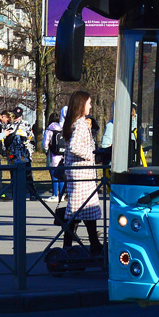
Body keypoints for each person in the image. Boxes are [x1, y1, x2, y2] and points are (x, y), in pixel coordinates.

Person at [61, 92, 103, 254]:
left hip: (77, 174)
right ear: (81, 104)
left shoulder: (74, 123)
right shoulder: (80, 124)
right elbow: (75, 147)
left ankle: (93, 243)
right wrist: (91, 154)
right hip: (81, 174)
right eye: (89, 103)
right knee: (78, 210)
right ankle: (70, 246)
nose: (90, 106)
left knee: (85, 210)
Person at [42, 110, 65, 200]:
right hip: (62, 155)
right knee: (62, 175)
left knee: (54, 175)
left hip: (53, 155)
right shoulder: (62, 128)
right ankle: (62, 195)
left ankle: (55, 195)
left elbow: (45, 144)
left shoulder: (49, 129)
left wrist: (46, 151)